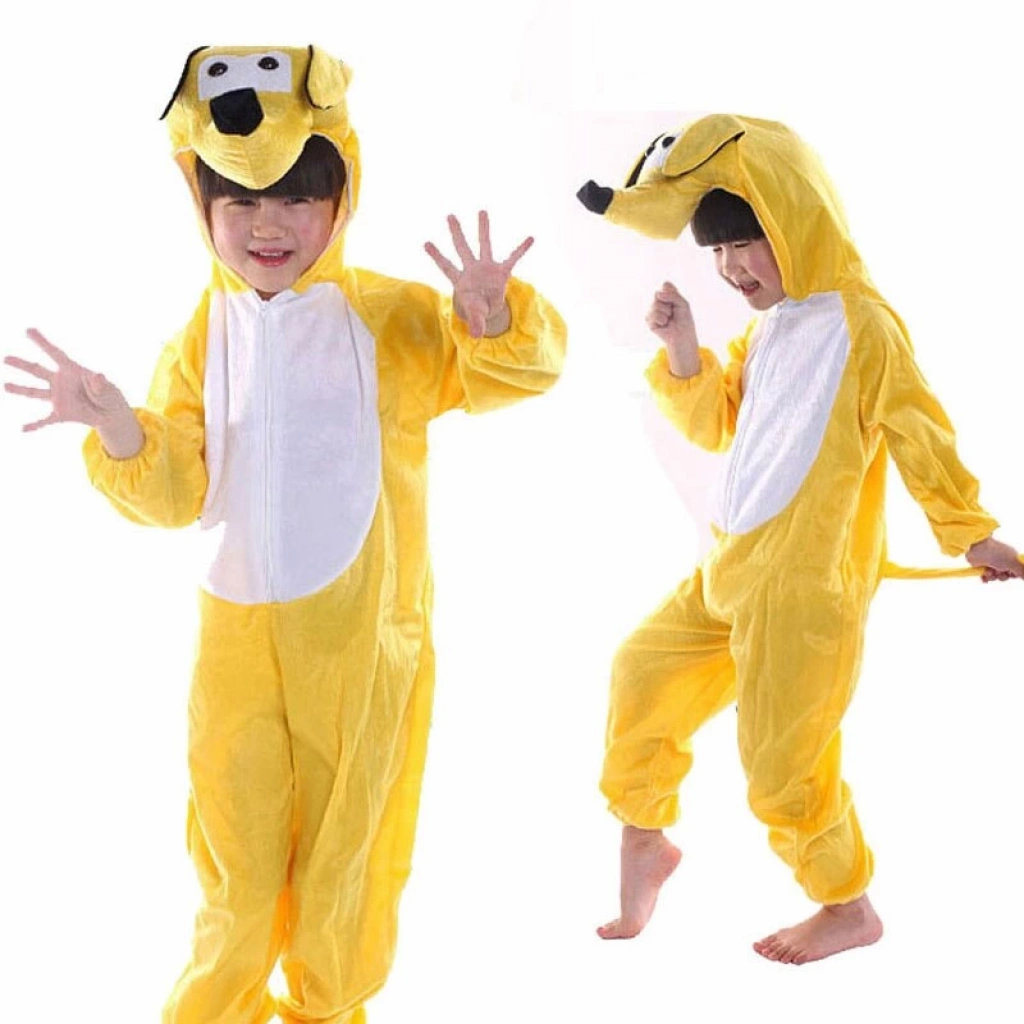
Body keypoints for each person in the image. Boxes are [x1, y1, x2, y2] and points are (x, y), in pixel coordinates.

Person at [3, 45, 566, 1023]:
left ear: (342, 200)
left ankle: (326, 1009)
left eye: (298, 199)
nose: (268, 226)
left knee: (347, 852)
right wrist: (119, 425)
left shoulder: (389, 316)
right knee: (235, 855)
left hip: (362, 638)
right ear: (203, 207)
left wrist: (489, 318)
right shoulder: (201, 336)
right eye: (241, 202)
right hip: (235, 640)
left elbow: (508, 374)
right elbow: (178, 492)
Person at [576, 115, 1022, 965]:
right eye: (718, 251)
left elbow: (918, 429)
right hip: (729, 569)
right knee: (641, 673)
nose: (731, 267)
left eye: (746, 243)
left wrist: (971, 534)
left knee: (782, 765)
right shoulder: (773, 326)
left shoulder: (863, 325)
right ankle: (645, 838)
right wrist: (682, 348)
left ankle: (847, 905)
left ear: (797, 220)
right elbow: (720, 425)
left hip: (805, 592)